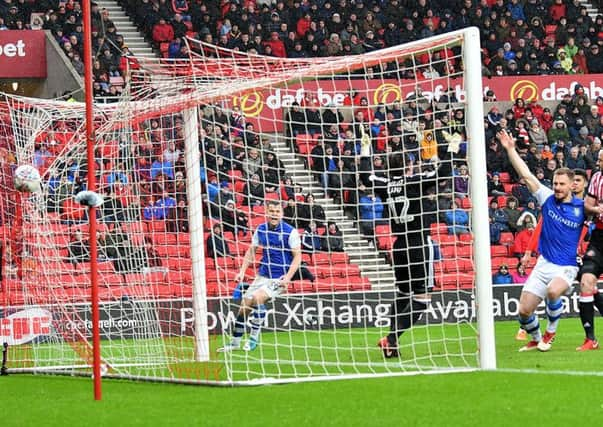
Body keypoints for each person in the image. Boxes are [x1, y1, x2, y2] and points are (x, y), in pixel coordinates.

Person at [498, 129, 585, 352]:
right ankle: (537, 338)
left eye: (561, 184)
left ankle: (551, 331)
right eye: (555, 183)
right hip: (543, 263)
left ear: (571, 186)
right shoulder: (546, 198)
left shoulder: (581, 207)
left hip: (566, 265)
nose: (557, 187)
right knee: (524, 311)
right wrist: (510, 150)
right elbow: (526, 175)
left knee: (553, 292)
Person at [218, 200, 302, 352]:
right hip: (262, 276)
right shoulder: (261, 229)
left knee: (257, 298)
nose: (274, 215)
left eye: (277, 212)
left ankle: (253, 339)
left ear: (281, 214)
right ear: (266, 212)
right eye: (271, 211)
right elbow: (251, 250)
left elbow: (297, 257)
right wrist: (242, 271)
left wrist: (288, 278)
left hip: (279, 278)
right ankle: (235, 343)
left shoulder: (290, 232)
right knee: (244, 307)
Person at [378, 153, 439, 358]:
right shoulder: (415, 181)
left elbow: (366, 177)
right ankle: (392, 338)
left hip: (399, 246)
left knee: (403, 294)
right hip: (419, 243)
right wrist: (453, 149)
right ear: (408, 166)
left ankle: (391, 344)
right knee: (422, 299)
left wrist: (366, 154)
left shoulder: (384, 185)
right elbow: (443, 173)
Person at [576, 150, 603, 351]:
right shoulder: (596, 178)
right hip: (599, 238)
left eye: (602, 159)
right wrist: (597, 210)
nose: (599, 162)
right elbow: (588, 206)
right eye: (599, 159)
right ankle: (590, 339)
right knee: (586, 282)